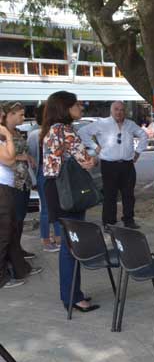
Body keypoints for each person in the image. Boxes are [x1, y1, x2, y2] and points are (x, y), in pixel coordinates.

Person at [41, 91, 98, 311]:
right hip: (67, 191)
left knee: (69, 243)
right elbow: (86, 161)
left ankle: (73, 293)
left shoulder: (51, 130)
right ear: (66, 108)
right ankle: (72, 297)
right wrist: (95, 156)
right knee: (71, 246)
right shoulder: (65, 130)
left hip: (55, 188)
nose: (81, 108)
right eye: (78, 105)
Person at [78, 101, 148, 230]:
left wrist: (138, 152)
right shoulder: (102, 123)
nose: (119, 112)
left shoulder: (130, 124)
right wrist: (95, 147)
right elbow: (83, 132)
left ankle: (129, 220)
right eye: (116, 109)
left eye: (122, 110)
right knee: (110, 195)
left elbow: (143, 135)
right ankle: (109, 222)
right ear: (111, 111)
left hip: (127, 164)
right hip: (109, 164)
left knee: (128, 194)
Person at [0, 122, 38, 289]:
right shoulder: (5, 135)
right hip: (3, 188)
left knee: (11, 230)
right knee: (5, 233)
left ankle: (19, 268)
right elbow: (9, 160)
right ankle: (3, 276)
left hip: (8, 186)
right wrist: (8, 136)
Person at [2, 102, 35, 258]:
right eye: (20, 114)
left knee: (20, 218)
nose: (23, 117)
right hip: (11, 181)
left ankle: (17, 250)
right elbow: (6, 158)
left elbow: (23, 151)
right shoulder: (3, 135)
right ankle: (12, 255)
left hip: (23, 180)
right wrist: (19, 157)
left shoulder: (17, 132)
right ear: (10, 115)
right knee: (12, 221)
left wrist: (27, 157)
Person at [28, 103, 61, 252]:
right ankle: (46, 240)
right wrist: (33, 180)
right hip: (43, 174)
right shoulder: (36, 134)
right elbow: (31, 159)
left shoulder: (57, 132)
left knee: (59, 207)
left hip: (58, 174)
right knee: (47, 208)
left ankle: (60, 238)